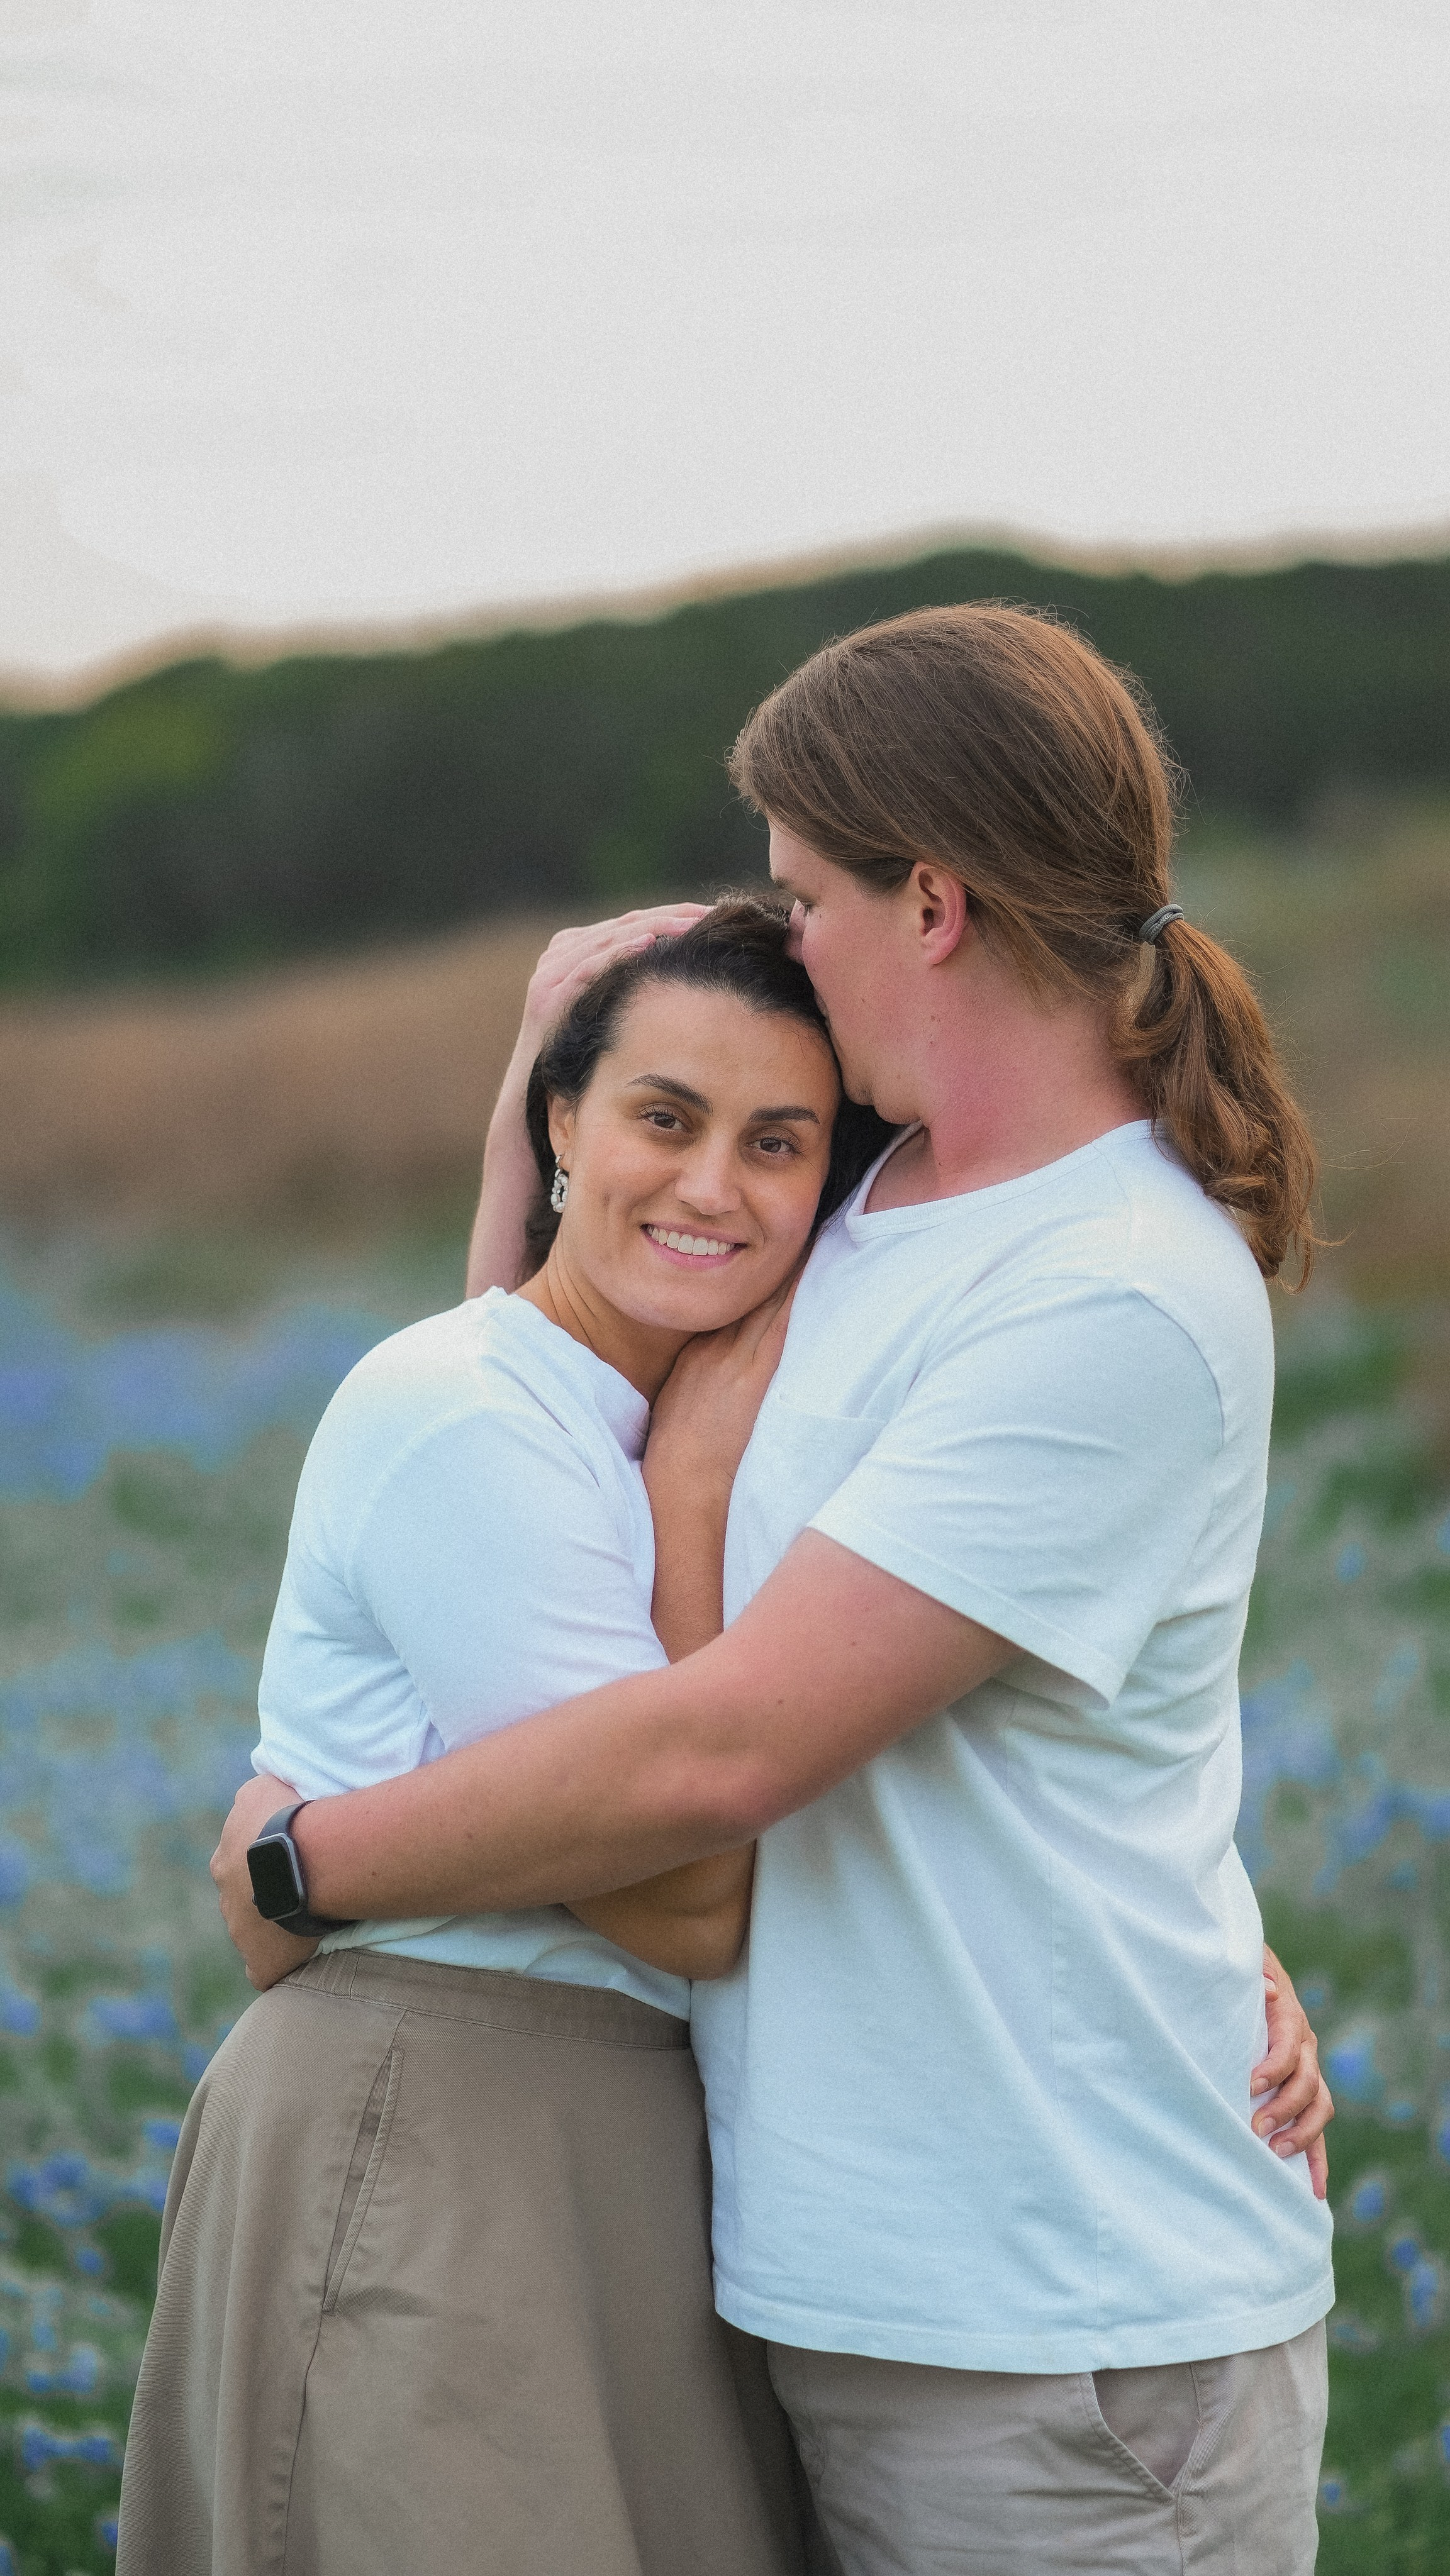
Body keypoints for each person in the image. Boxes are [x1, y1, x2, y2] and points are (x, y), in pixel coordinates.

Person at [216, 604, 1336, 2575]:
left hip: (1050, 2332)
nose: (774, 930)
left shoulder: (1112, 1290)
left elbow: (727, 1748)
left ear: (932, 901)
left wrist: (306, 1859)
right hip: (825, 2272)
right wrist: (532, 1090)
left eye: (802, 890)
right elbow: (546, 1429)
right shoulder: (875, 1191)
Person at [118, 900, 885, 2576]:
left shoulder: (688, 1422)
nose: (709, 1186)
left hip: (617, 2145)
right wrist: (684, 1499)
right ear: (560, 1121)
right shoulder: (467, 1410)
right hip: (434, 2115)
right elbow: (678, 1897)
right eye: (661, 1118)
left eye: (777, 1143)